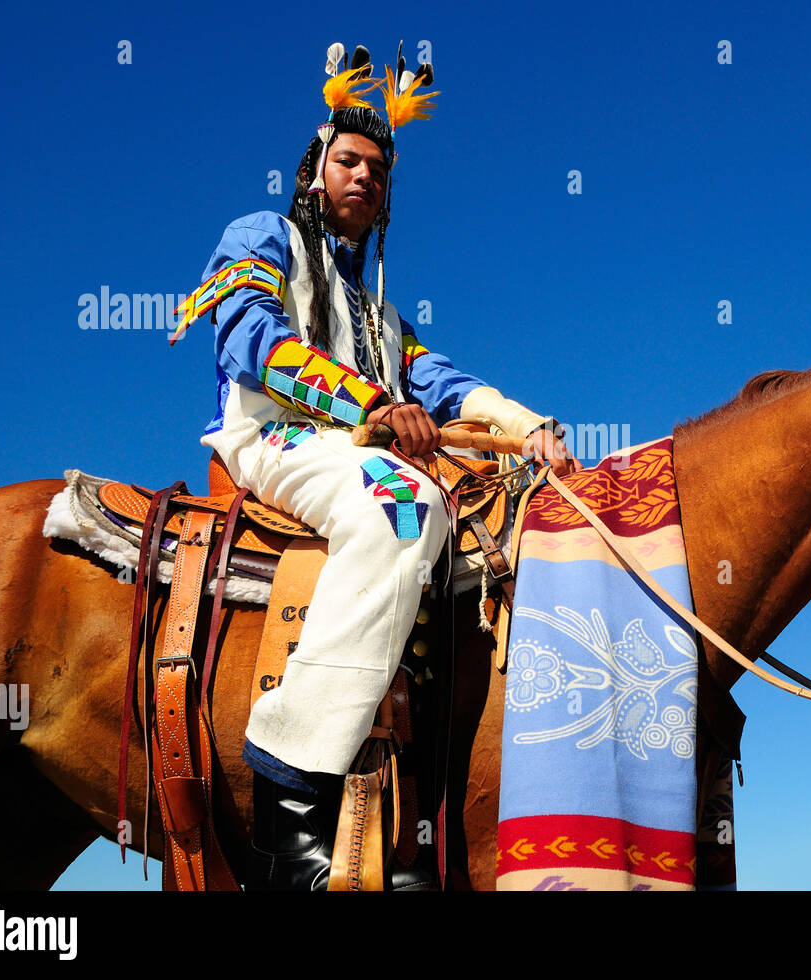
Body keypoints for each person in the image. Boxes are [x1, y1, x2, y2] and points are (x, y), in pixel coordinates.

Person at [172, 41, 580, 890]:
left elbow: (443, 385)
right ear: (316, 168)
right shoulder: (264, 235)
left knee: (465, 534)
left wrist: (529, 426)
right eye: (348, 160)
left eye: (378, 170)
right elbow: (248, 337)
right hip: (272, 437)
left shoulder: (385, 316)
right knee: (406, 505)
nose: (364, 176)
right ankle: (287, 806)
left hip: (350, 443)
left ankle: (402, 821)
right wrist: (369, 406)